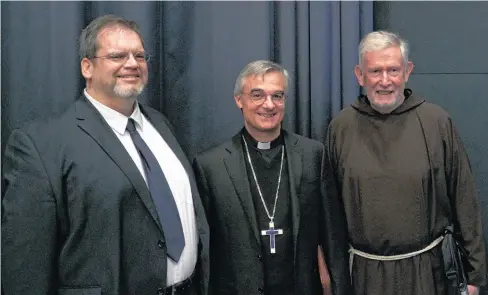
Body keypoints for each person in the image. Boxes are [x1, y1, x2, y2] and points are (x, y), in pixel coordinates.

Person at [2, 14, 209, 295]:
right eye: (117, 56)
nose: (132, 63)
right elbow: (25, 267)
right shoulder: (40, 145)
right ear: (87, 67)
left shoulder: (160, 125)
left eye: (139, 55)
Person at [325, 30, 487, 295]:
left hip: (427, 274)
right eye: (375, 71)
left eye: (393, 70)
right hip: (364, 277)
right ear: (359, 75)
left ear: (407, 71)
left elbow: (464, 199)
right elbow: (329, 213)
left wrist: (474, 274)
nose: (385, 81)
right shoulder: (341, 128)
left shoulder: (436, 123)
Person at [192, 60, 351, 295]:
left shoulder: (312, 155)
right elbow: (204, 252)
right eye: (257, 95)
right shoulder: (210, 166)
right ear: (239, 100)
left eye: (277, 96)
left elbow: (333, 237)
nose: (269, 105)